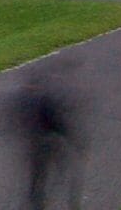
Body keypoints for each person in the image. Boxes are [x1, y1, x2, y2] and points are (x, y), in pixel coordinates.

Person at [10, 75, 80, 209]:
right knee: (52, 172)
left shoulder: (23, 101)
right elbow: (57, 123)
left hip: (31, 143)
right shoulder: (44, 101)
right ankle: (42, 202)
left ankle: (33, 199)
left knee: (36, 175)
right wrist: (73, 139)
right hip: (45, 144)